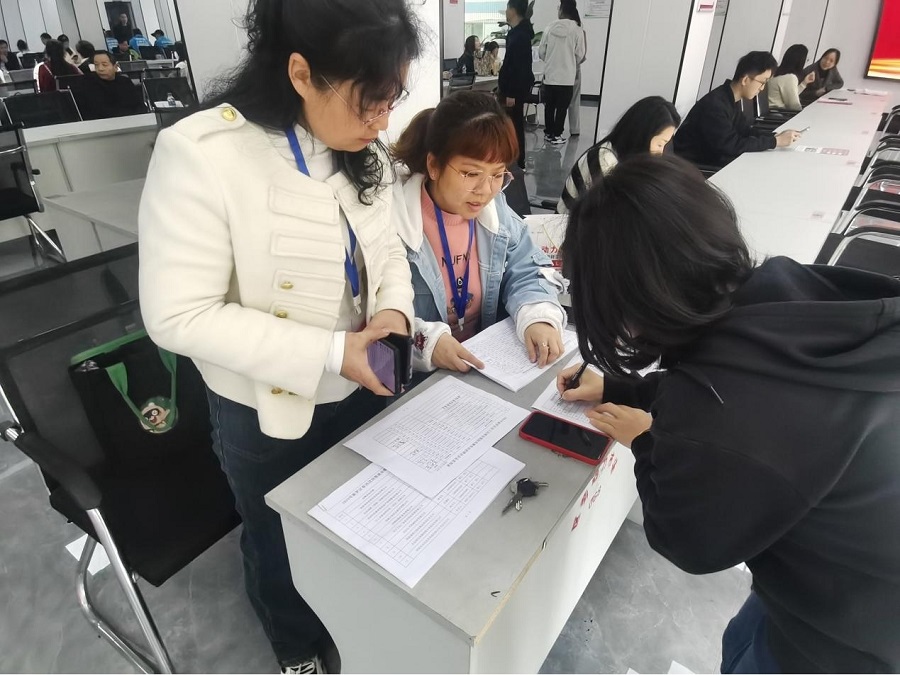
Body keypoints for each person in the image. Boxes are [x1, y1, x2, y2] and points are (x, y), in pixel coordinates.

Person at [138, 0, 420, 672]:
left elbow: (386, 252)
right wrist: (331, 352)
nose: (383, 121)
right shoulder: (204, 152)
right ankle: (294, 647)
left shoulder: (362, 149)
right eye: (369, 102)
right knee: (277, 538)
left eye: (392, 101)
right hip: (266, 405)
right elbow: (178, 314)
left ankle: (352, 622)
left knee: (357, 518)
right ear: (300, 73)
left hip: (365, 378)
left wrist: (394, 315)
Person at [558, 153, 900, 674]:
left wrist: (647, 441)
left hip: (838, 646)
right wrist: (621, 386)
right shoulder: (782, 290)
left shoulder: (722, 413)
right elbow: (744, 384)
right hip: (833, 566)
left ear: (627, 298)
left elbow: (687, 541)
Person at [391, 91, 566, 373]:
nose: (485, 191)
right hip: (419, 379)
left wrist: (538, 316)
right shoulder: (396, 221)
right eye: (471, 174)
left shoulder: (495, 210)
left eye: (497, 174)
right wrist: (428, 343)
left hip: (486, 367)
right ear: (434, 166)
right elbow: (377, 312)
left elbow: (528, 268)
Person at [673, 51, 800, 168]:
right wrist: (775, 142)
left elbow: (744, 131)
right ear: (745, 79)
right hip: (694, 167)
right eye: (762, 82)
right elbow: (732, 145)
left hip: (714, 159)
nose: (762, 88)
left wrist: (775, 136)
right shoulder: (715, 105)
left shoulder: (730, 98)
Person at [559, 96, 679, 213]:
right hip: (568, 223)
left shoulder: (628, 158)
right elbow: (613, 214)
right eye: (659, 144)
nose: (661, 152)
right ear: (642, 136)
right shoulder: (604, 160)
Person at [538, 0, 585, 145]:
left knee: (549, 107)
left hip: (550, 76)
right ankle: (557, 135)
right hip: (567, 78)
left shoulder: (549, 28)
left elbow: (541, 52)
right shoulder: (577, 30)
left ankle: (548, 133)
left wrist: (551, 61)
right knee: (562, 108)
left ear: (562, 11)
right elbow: (580, 54)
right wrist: (570, 62)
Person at [497, 0, 534, 169]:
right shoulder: (517, 33)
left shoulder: (520, 36)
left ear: (513, 10)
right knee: (512, 125)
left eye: (507, 8)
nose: (505, 12)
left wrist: (511, 93)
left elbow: (518, 67)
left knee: (514, 126)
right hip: (510, 88)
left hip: (513, 91)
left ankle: (518, 161)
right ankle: (514, 159)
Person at [77, 51, 146, 119]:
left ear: (115, 67)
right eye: (96, 65)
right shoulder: (89, 84)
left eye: (104, 65)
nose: (100, 69)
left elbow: (140, 106)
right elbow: (100, 111)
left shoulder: (125, 81)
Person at [767, 44, 815, 112]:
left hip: (770, 112)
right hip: (778, 114)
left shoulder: (776, 72)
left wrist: (804, 83)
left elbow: (790, 95)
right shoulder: (790, 77)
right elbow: (794, 106)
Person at [566, 2, 586, 137]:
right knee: (574, 101)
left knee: (558, 101)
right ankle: (574, 129)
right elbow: (582, 55)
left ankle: (555, 130)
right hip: (575, 68)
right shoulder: (580, 31)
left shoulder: (556, 29)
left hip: (561, 69)